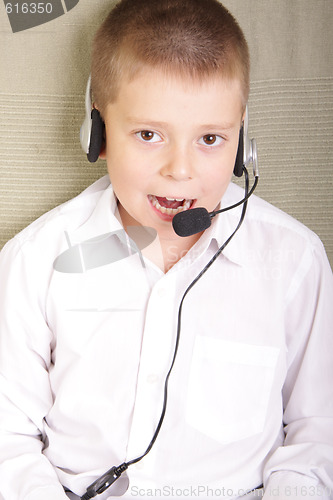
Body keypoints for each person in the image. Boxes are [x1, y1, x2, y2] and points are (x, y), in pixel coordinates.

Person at [0, 0, 332, 499]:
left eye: (211, 139)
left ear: (243, 143)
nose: (180, 170)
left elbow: (317, 435)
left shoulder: (294, 261)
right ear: (98, 132)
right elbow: (8, 438)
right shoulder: (36, 260)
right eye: (149, 134)